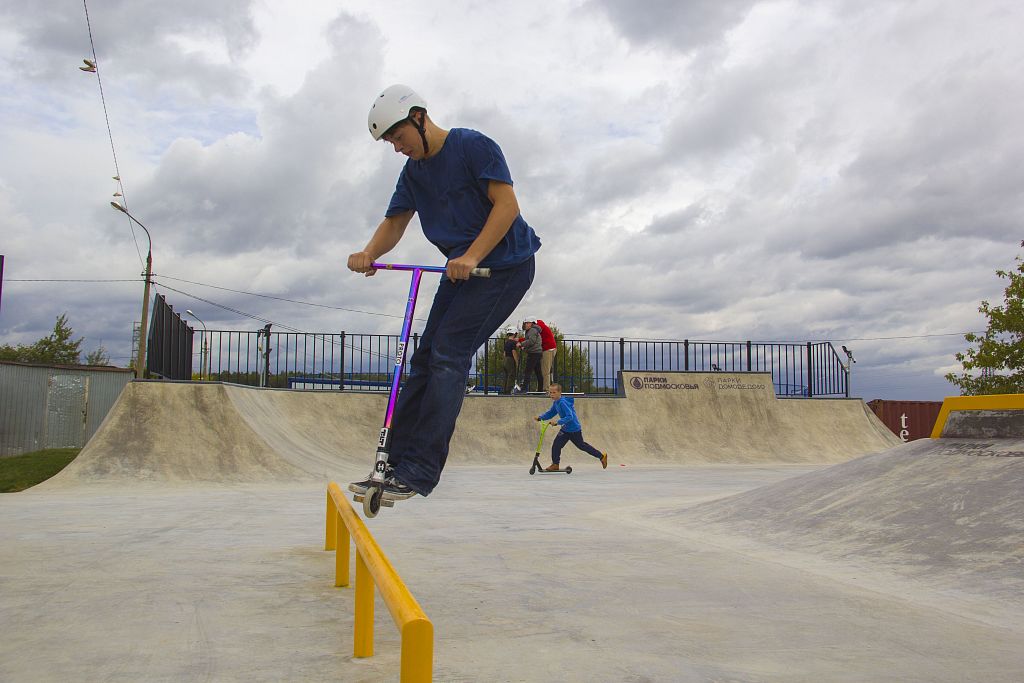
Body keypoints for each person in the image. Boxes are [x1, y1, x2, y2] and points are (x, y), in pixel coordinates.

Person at [348, 84, 541, 501]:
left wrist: (471, 255)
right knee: (424, 359)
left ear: (419, 117)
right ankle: (392, 464)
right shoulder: (414, 173)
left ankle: (420, 471)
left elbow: (507, 207)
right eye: (391, 144)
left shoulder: (472, 146)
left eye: (399, 138)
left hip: (505, 265)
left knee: (449, 355)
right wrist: (368, 253)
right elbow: (395, 222)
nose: (398, 149)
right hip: (463, 271)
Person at [535, 383, 607, 471]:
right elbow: (551, 413)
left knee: (582, 446)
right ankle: (555, 464)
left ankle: (601, 456)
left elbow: (570, 416)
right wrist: (540, 417)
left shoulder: (562, 403)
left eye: (554, 392)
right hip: (565, 430)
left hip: (574, 429)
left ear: (559, 392)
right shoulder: (556, 403)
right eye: (550, 392)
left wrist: (558, 422)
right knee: (556, 445)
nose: (552, 395)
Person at [519, 318, 543, 393]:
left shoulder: (532, 330)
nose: (525, 324)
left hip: (534, 353)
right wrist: (524, 347)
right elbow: (532, 342)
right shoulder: (532, 330)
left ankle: (523, 389)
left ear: (531, 323)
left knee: (528, 371)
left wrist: (521, 344)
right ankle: (540, 390)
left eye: (527, 323)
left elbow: (531, 341)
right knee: (538, 372)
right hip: (537, 352)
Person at [536, 318, 556, 391]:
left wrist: (520, 340)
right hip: (549, 349)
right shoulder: (541, 327)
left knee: (545, 370)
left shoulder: (538, 327)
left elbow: (532, 338)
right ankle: (543, 388)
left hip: (548, 349)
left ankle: (546, 389)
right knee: (544, 370)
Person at [502, 325, 520, 394]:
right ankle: (508, 391)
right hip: (510, 359)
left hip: (505, 359)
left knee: (506, 375)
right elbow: (514, 352)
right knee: (511, 375)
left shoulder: (506, 342)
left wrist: (504, 360)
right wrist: (516, 361)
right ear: (514, 334)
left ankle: (504, 390)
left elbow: (504, 353)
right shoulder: (513, 343)